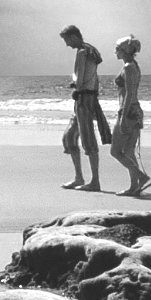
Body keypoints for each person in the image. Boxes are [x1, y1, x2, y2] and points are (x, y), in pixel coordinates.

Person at [57, 25, 106, 190]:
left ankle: (94, 181)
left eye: (67, 40)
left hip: (84, 98)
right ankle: (79, 177)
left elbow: (79, 79)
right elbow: (94, 77)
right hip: (88, 97)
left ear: (73, 37)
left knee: (87, 140)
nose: (67, 45)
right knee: (69, 137)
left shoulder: (82, 52)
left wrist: (74, 84)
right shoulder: (90, 50)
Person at [106, 36, 151, 197]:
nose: (115, 51)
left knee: (116, 151)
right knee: (129, 151)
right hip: (135, 110)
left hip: (129, 111)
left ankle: (140, 176)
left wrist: (124, 117)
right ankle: (134, 187)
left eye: (117, 49)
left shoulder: (128, 67)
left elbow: (129, 94)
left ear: (124, 51)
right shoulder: (133, 66)